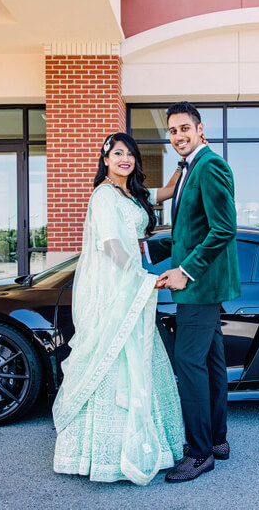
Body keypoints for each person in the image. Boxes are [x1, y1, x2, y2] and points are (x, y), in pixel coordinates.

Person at [52, 132, 184, 485]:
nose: (125, 159)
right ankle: (97, 455)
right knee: (111, 358)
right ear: (106, 160)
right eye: (118, 153)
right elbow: (110, 244)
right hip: (114, 288)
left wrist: (182, 166)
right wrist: (141, 277)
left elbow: (163, 193)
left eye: (130, 154)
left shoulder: (131, 194)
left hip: (131, 289)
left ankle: (149, 445)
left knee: (139, 357)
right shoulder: (103, 196)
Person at [148, 101, 241, 483]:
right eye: (172, 131)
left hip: (200, 286)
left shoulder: (211, 166)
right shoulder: (188, 170)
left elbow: (224, 229)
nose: (178, 136)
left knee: (188, 364)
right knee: (212, 364)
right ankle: (217, 439)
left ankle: (200, 453)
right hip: (203, 283)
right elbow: (190, 231)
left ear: (200, 130)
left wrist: (185, 271)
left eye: (184, 128)